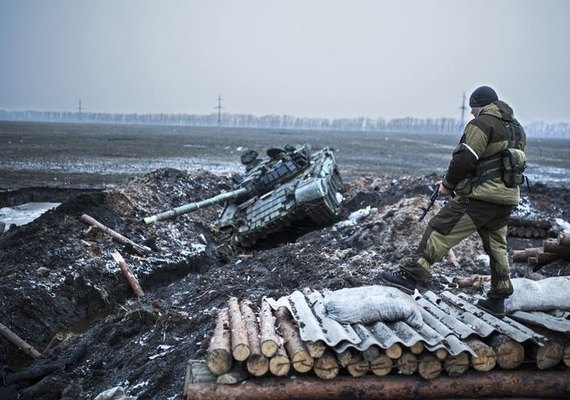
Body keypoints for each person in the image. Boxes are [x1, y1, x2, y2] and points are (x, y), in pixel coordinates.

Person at [379, 85, 527, 318]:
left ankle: (411, 276)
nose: (470, 113)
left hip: (481, 197)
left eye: (472, 108)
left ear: (481, 106)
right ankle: (498, 297)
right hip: (507, 198)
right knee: (497, 246)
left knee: (440, 228)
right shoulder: (517, 129)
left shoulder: (481, 124)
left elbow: (464, 158)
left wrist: (447, 185)